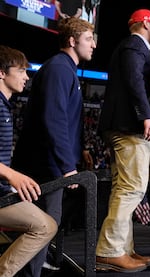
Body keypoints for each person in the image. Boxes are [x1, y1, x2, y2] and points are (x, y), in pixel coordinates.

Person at [11, 17, 96, 276]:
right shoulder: (59, 68)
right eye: (89, 39)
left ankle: (33, 270)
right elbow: (54, 118)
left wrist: (79, 150)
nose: (94, 45)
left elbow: (67, 119)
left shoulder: (65, 69)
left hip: (49, 164)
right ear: (72, 41)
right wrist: (67, 165)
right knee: (44, 225)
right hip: (43, 168)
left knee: (48, 224)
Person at [95, 9, 150, 273]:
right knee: (131, 190)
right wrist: (146, 115)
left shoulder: (131, 47)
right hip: (127, 128)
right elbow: (134, 80)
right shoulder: (135, 45)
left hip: (121, 124)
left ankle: (122, 249)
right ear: (146, 23)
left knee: (123, 189)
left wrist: (148, 110)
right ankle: (109, 251)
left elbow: (130, 85)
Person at [0, 45, 58, 277]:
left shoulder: (5, 105)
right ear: (2, 73)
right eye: (21, 70)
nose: (26, 76)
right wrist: (11, 175)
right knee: (45, 226)